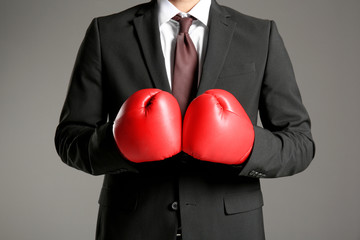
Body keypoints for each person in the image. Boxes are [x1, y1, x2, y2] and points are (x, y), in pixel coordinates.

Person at [54, 0, 316, 239]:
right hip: (132, 227)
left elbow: (300, 143)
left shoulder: (260, 35)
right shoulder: (107, 32)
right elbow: (69, 136)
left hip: (230, 229)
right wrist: (119, 143)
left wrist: (247, 145)